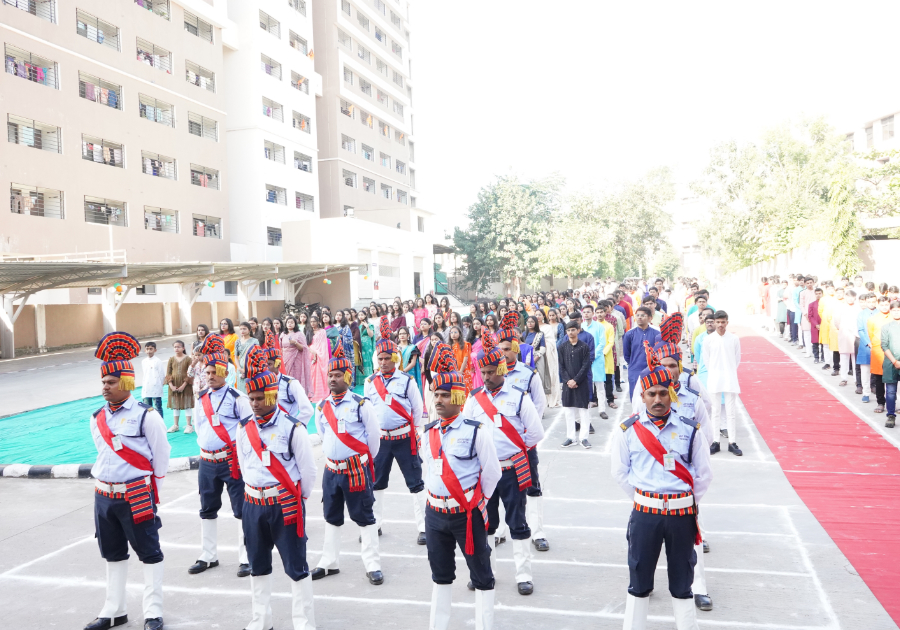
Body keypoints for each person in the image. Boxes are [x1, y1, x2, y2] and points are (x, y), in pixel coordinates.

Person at [611, 348, 712, 630]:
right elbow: (619, 472)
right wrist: (646, 498)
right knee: (639, 581)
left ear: (672, 395)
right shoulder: (628, 430)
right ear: (642, 396)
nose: (657, 399)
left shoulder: (690, 429)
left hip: (681, 515)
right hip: (645, 514)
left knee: (682, 582)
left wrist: (682, 500)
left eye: (663, 393)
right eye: (651, 394)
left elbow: (704, 474)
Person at [86, 332, 170, 630]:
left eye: (111, 382)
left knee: (149, 552)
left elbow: (161, 456)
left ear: (126, 382)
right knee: (112, 553)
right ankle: (114, 610)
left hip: (135, 494)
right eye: (103, 382)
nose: (105, 387)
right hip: (103, 495)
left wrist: (152, 491)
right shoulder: (96, 417)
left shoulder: (147, 416)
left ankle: (153, 611)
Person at [236, 346, 317, 630]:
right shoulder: (243, 428)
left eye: (260, 398)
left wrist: (296, 498)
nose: (255, 404)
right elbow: (244, 465)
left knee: (296, 566)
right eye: (251, 398)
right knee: (257, 565)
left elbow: (308, 472)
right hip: (252, 505)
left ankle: (303, 623)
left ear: (272, 396)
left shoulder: (293, 428)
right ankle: (261, 620)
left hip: (285, 504)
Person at [422, 348, 500, 630]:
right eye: (436, 394)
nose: (438, 400)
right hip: (435, 514)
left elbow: (492, 472)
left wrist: (475, 501)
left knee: (481, 575)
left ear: (458, 397)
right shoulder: (429, 432)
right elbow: (428, 469)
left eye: (445, 395)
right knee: (440, 575)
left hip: (466, 514)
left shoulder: (476, 430)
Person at [464, 331, 544, 595]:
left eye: (490, 372)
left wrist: (514, 452)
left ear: (501, 369)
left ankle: (524, 575)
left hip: (512, 469)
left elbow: (535, 433)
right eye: (483, 372)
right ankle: (487, 572)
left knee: (517, 522)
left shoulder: (519, 396)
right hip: (485, 473)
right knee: (486, 524)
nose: (486, 377)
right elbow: (467, 432)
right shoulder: (474, 399)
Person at [311, 342, 383, 585]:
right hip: (331, 470)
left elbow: (373, 439)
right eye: (330, 375)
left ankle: (372, 564)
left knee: (365, 515)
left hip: (355, 470)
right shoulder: (321, 406)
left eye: (338, 375)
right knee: (331, 516)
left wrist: (360, 461)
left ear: (349, 377)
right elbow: (323, 434)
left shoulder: (361, 404)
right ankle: (329, 562)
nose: (333, 379)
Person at [188, 335, 252, 579]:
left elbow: (249, 432)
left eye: (215, 372)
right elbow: (199, 427)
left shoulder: (238, 398)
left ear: (225, 372)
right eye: (208, 372)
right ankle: (208, 555)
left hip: (231, 461)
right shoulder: (201, 398)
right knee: (207, 508)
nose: (210, 376)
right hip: (207, 461)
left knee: (241, 509)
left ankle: (246, 557)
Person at [365, 317, 427, 544]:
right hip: (381, 441)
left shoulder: (407, 380)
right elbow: (368, 412)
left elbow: (417, 410)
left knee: (416, 483)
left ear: (395, 358)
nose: (383, 362)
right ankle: (375, 524)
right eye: (380, 358)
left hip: (404, 439)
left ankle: (424, 527)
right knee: (376, 483)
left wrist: (411, 432)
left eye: (387, 358)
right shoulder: (370, 382)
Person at [495, 311, 550, 552]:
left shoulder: (528, 374)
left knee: (532, 487)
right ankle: (499, 531)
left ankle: (537, 532)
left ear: (516, 349)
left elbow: (538, 405)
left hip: (525, 443)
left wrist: (526, 437)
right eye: (500, 349)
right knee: (499, 487)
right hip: (501, 447)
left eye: (508, 349)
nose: (503, 353)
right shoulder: (492, 375)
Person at [702, 311, 743, 456]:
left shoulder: (734, 339)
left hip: (730, 379)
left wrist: (728, 372)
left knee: (731, 413)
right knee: (715, 412)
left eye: (723, 322)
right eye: (718, 322)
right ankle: (716, 442)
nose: (720, 325)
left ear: (727, 322)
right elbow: (706, 360)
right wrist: (716, 373)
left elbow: (737, 359)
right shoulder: (708, 340)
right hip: (714, 379)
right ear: (714, 322)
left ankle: (732, 442)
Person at [559, 320, 593, 448]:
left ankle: (584, 438)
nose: (570, 332)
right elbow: (561, 366)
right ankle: (571, 438)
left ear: (578, 330)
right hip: (568, 384)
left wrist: (576, 380)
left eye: (573, 330)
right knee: (568, 411)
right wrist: (568, 380)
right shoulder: (562, 347)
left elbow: (586, 366)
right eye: (568, 330)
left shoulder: (584, 347)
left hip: (581, 383)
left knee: (584, 411)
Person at [623, 307, 661, 400]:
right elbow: (627, 354)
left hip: (652, 369)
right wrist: (633, 363)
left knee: (652, 395)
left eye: (643, 315)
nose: (639, 317)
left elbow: (659, 352)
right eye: (638, 315)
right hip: (635, 369)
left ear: (650, 318)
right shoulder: (629, 334)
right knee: (635, 396)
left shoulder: (657, 334)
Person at [868, 296, 892, 414]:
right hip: (878, 351)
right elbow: (871, 335)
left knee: (893, 379)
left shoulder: (894, 317)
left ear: (890, 304)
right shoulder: (873, 319)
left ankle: (892, 403)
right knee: (879, 379)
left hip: (893, 352)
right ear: (878, 305)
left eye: (886, 304)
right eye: (882, 305)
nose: (884, 307)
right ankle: (880, 403)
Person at [165, 340, 194, 433]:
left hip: (186, 385)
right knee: (175, 405)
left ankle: (189, 425)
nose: (176, 348)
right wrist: (171, 385)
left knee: (187, 404)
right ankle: (176, 425)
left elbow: (190, 373)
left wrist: (184, 385)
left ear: (183, 348)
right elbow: (168, 373)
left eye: (178, 347)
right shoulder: (171, 359)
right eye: (175, 347)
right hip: (174, 385)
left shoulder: (188, 359)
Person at [881, 301, 900, 428]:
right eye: (894, 310)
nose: (896, 312)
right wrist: (894, 361)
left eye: (898, 310)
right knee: (891, 391)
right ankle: (891, 415)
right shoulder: (886, 327)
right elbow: (884, 345)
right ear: (890, 311)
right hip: (890, 362)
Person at [281, 316, 312, 394]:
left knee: (295, 378)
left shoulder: (299, 334)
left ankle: (297, 394)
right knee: (285, 378)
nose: (290, 324)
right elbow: (280, 347)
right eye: (288, 322)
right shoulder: (283, 335)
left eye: (292, 322)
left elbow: (304, 348)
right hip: (285, 359)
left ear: (295, 324)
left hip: (296, 360)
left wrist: (295, 343)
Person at [857, 293, 877, 401]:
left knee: (878, 372)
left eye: (873, 301)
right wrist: (868, 342)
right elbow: (860, 330)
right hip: (865, 346)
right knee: (865, 371)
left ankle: (880, 393)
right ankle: (866, 393)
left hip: (878, 346)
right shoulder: (861, 314)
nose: (871, 304)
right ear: (865, 302)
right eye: (869, 302)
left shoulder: (880, 313)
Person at [308, 316, 330, 403]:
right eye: (311, 322)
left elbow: (323, 345)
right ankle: (310, 394)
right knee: (311, 375)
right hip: (310, 355)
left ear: (318, 322)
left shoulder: (322, 332)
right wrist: (312, 352)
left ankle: (319, 395)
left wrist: (317, 354)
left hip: (320, 355)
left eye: (314, 321)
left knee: (318, 375)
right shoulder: (309, 331)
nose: (312, 323)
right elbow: (306, 344)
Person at [542, 310, 562, 408]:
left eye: (553, 315)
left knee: (551, 374)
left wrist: (554, 346)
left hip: (552, 350)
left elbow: (560, 338)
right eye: (549, 315)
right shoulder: (533, 328)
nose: (551, 317)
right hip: (539, 354)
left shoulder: (552, 327)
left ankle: (553, 398)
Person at [141, 341, 165, 418]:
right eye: (147, 349)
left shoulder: (158, 361)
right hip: (147, 387)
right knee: (148, 408)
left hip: (156, 386)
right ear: (145, 350)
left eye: (151, 349)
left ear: (155, 350)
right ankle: (149, 422)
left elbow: (161, 374)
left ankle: (160, 422)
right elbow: (145, 374)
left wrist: (160, 385)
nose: (149, 351)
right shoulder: (144, 361)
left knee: (158, 407)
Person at [808, 287, 824, 364]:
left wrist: (822, 324)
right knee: (815, 342)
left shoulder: (825, 304)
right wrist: (816, 324)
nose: (818, 295)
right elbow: (810, 316)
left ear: (822, 294)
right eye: (816, 294)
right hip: (815, 326)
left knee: (824, 342)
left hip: (824, 325)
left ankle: (823, 357)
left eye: (819, 293)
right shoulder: (811, 304)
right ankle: (816, 357)